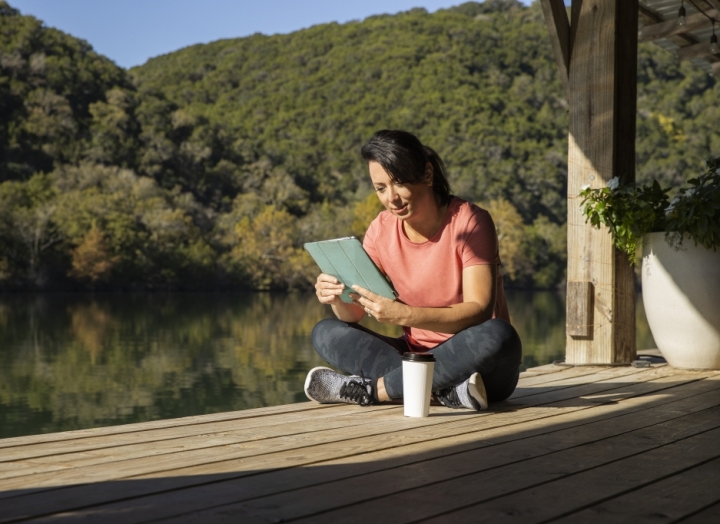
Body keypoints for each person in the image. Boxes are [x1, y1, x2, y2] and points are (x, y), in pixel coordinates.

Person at [304, 130, 522, 410]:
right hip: (414, 356)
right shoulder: (380, 230)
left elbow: (480, 310)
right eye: (381, 188)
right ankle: (445, 392)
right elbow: (354, 313)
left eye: (399, 183)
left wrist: (403, 314)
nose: (391, 198)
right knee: (326, 331)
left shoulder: (470, 222)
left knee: (499, 336)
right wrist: (336, 297)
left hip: (477, 365)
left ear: (427, 175)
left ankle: (375, 390)